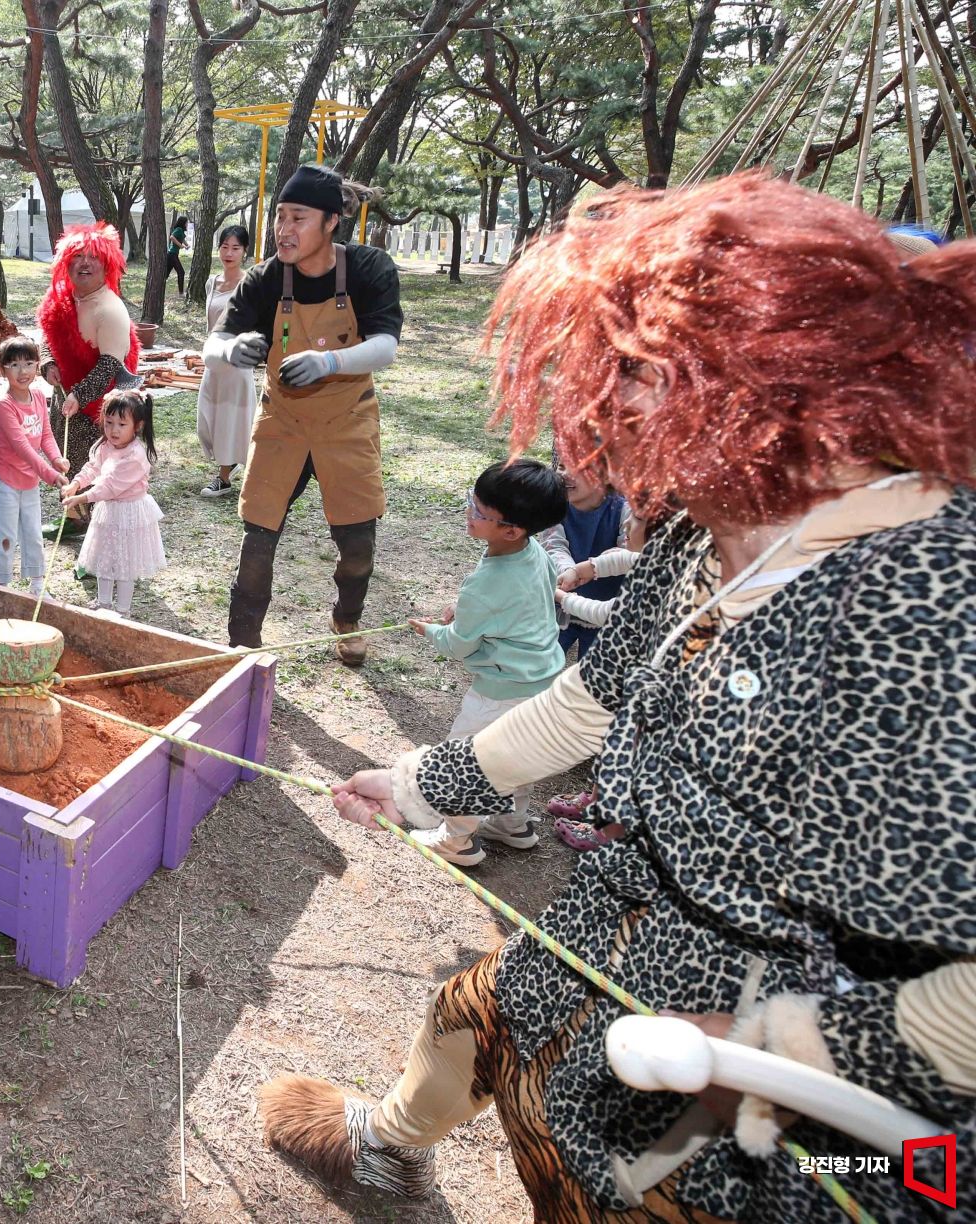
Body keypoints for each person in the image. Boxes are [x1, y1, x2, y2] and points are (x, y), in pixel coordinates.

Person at [265, 173, 976, 1224]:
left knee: (646, 1191)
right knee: (481, 1006)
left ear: (768, 383)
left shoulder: (925, 615)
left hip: (835, 1083)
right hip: (644, 914)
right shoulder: (714, 531)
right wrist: (420, 777)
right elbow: (587, 701)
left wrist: (756, 1049)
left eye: (627, 377)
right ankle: (383, 1149)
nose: (585, 415)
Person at [205, 165, 403, 662]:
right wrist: (232, 350)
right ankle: (242, 645)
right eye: (279, 217)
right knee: (258, 537)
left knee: (357, 542)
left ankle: (347, 618)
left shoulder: (368, 268)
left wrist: (330, 362)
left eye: (298, 218)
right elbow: (215, 341)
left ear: (331, 221)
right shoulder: (266, 278)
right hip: (283, 421)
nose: (284, 229)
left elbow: (385, 346)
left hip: (347, 420)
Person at [406, 459, 566, 866]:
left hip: (501, 693)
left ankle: (457, 840)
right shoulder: (535, 553)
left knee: (466, 762)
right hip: (544, 681)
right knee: (520, 757)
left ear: (511, 529)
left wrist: (430, 631)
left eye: (479, 511)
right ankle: (512, 824)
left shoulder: (485, 584)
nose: (469, 512)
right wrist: (467, 615)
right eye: (472, 501)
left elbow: (459, 645)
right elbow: (521, 607)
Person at [37, 223, 141, 537]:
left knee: (95, 468)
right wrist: (47, 363)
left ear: (107, 264)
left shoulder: (110, 310)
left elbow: (110, 367)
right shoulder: (62, 298)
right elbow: (47, 337)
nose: (85, 263)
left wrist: (79, 395)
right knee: (66, 460)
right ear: (65, 262)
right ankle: (74, 518)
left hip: (100, 407)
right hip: (64, 399)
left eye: (93, 257)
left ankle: (100, 531)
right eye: (78, 255)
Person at [63, 391, 165, 618]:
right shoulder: (104, 445)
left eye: (121, 424)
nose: (114, 430)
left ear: (137, 426)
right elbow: (93, 468)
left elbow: (109, 486)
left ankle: (123, 610)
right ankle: (104, 602)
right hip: (108, 511)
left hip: (129, 512)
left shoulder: (136, 455)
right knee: (104, 557)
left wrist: (80, 498)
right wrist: (76, 484)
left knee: (125, 564)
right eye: (109, 423)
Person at [0, 335, 69, 594]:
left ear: (37, 365)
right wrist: (51, 474)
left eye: (29, 363)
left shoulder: (37, 397)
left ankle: (37, 584)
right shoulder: (3, 407)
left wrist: (56, 459)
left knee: (33, 533)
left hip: (29, 481)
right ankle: (0, 586)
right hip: (4, 481)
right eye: (14, 365)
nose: (23, 371)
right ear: (2, 370)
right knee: (4, 537)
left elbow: (45, 435)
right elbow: (23, 448)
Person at [539, 463, 632, 657]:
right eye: (562, 465)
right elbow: (553, 544)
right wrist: (568, 571)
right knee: (541, 663)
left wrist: (588, 569)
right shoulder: (554, 505)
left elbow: (629, 553)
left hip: (604, 613)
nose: (564, 474)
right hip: (559, 608)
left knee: (590, 678)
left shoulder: (624, 509)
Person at [197, 224, 256, 498]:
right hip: (213, 358)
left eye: (235, 248)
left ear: (244, 251)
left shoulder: (250, 283)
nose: (229, 253)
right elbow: (211, 324)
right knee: (210, 416)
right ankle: (227, 464)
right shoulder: (212, 282)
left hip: (237, 361)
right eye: (224, 247)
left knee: (232, 419)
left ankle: (224, 476)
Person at [165, 213, 189, 295]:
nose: (187, 224)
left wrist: (186, 245)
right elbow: (172, 237)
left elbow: (182, 239)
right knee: (181, 272)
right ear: (183, 223)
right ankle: (181, 293)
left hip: (173, 254)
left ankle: (157, 288)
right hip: (172, 254)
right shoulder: (178, 229)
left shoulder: (181, 231)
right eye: (186, 222)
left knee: (165, 275)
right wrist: (180, 245)